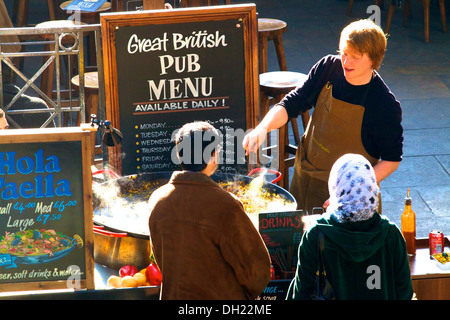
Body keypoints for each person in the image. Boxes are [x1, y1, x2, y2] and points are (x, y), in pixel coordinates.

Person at [243, 19, 403, 215]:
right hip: (304, 177)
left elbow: (391, 160)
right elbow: (293, 102)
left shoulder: (384, 103)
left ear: (373, 59)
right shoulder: (328, 68)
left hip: (350, 200)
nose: (346, 61)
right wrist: (263, 127)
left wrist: (349, 191)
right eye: (344, 53)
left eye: (355, 56)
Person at [148, 121, 271, 300]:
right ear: (213, 155)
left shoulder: (157, 199)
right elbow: (257, 272)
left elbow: (162, 260)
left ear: (179, 154)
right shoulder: (226, 205)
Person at [286, 153, 413, 300]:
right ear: (372, 189)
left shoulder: (315, 235)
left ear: (335, 188)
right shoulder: (391, 234)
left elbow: (300, 294)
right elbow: (405, 293)